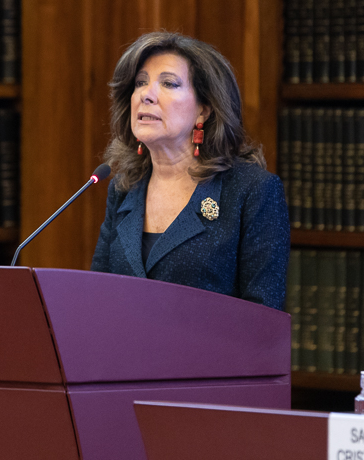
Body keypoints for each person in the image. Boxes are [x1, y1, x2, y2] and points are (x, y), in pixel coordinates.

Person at [90, 32, 289, 310]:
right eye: (140, 83)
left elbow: (264, 323)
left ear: (203, 110)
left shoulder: (251, 190)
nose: (146, 95)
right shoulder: (124, 188)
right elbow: (96, 298)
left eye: (169, 83)